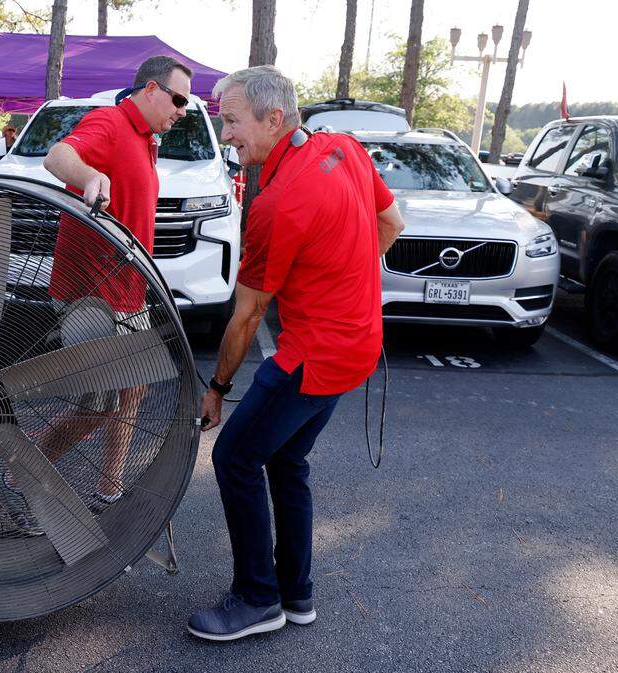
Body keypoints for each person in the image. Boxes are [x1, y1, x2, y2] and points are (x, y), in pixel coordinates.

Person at [187, 66, 405, 641]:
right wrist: (344, 277)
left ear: (273, 118)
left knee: (235, 458)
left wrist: (217, 390)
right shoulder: (345, 148)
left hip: (317, 355)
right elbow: (391, 222)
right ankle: (296, 593)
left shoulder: (276, 204)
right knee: (286, 459)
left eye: (232, 121)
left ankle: (258, 599)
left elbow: (247, 316)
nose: (225, 133)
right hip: (360, 345)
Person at [39, 55, 190, 502]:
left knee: (133, 388)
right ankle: (18, 469)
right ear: (149, 90)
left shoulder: (146, 138)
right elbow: (57, 156)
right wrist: (88, 175)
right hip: (91, 295)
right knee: (95, 407)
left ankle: (110, 484)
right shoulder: (109, 121)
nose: (181, 110)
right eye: (178, 99)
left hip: (127, 289)